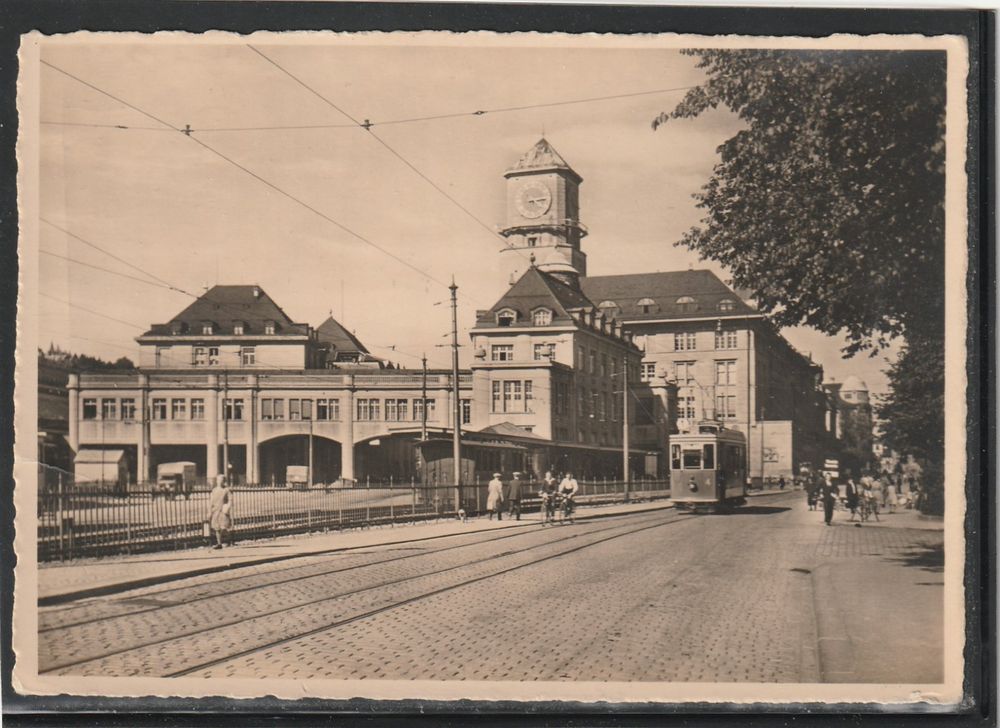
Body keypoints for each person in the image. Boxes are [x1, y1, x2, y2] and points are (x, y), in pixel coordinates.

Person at [208, 475, 232, 549]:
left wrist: (227, 508)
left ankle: (229, 540)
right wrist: (209, 511)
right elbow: (211, 502)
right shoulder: (214, 490)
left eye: (222, 480)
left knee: (225, 527)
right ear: (217, 481)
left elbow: (230, 500)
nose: (220, 481)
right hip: (215, 510)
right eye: (218, 480)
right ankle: (219, 543)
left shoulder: (226, 490)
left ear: (224, 481)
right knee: (217, 528)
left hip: (223, 511)